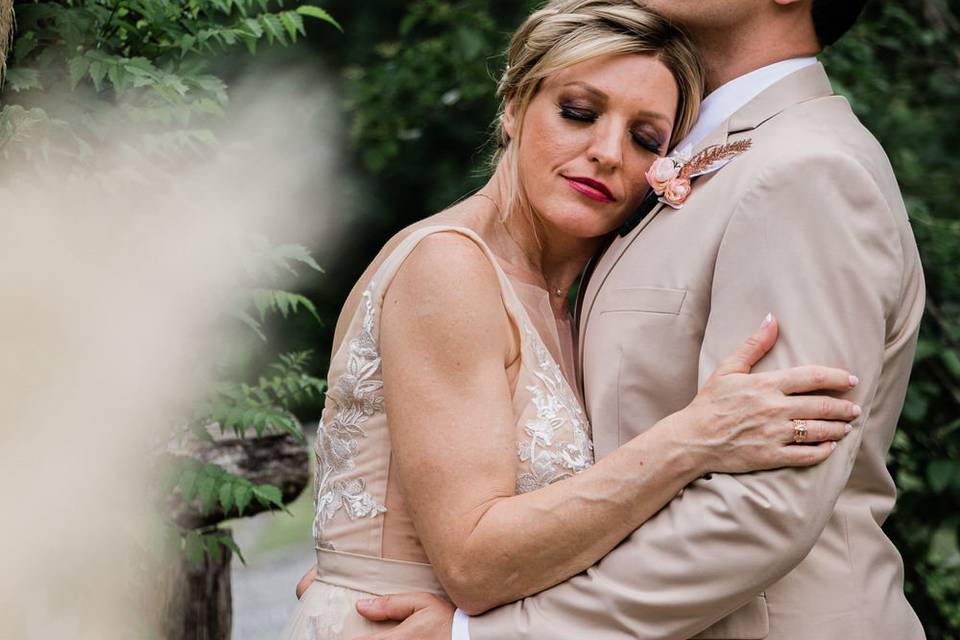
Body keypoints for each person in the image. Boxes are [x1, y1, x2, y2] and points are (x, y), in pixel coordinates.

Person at [351, 0, 927, 639]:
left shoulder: (806, 171)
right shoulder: (710, 152)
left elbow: (764, 506)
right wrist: (367, 568)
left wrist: (482, 633)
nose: (606, 151)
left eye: (643, 139)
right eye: (577, 112)